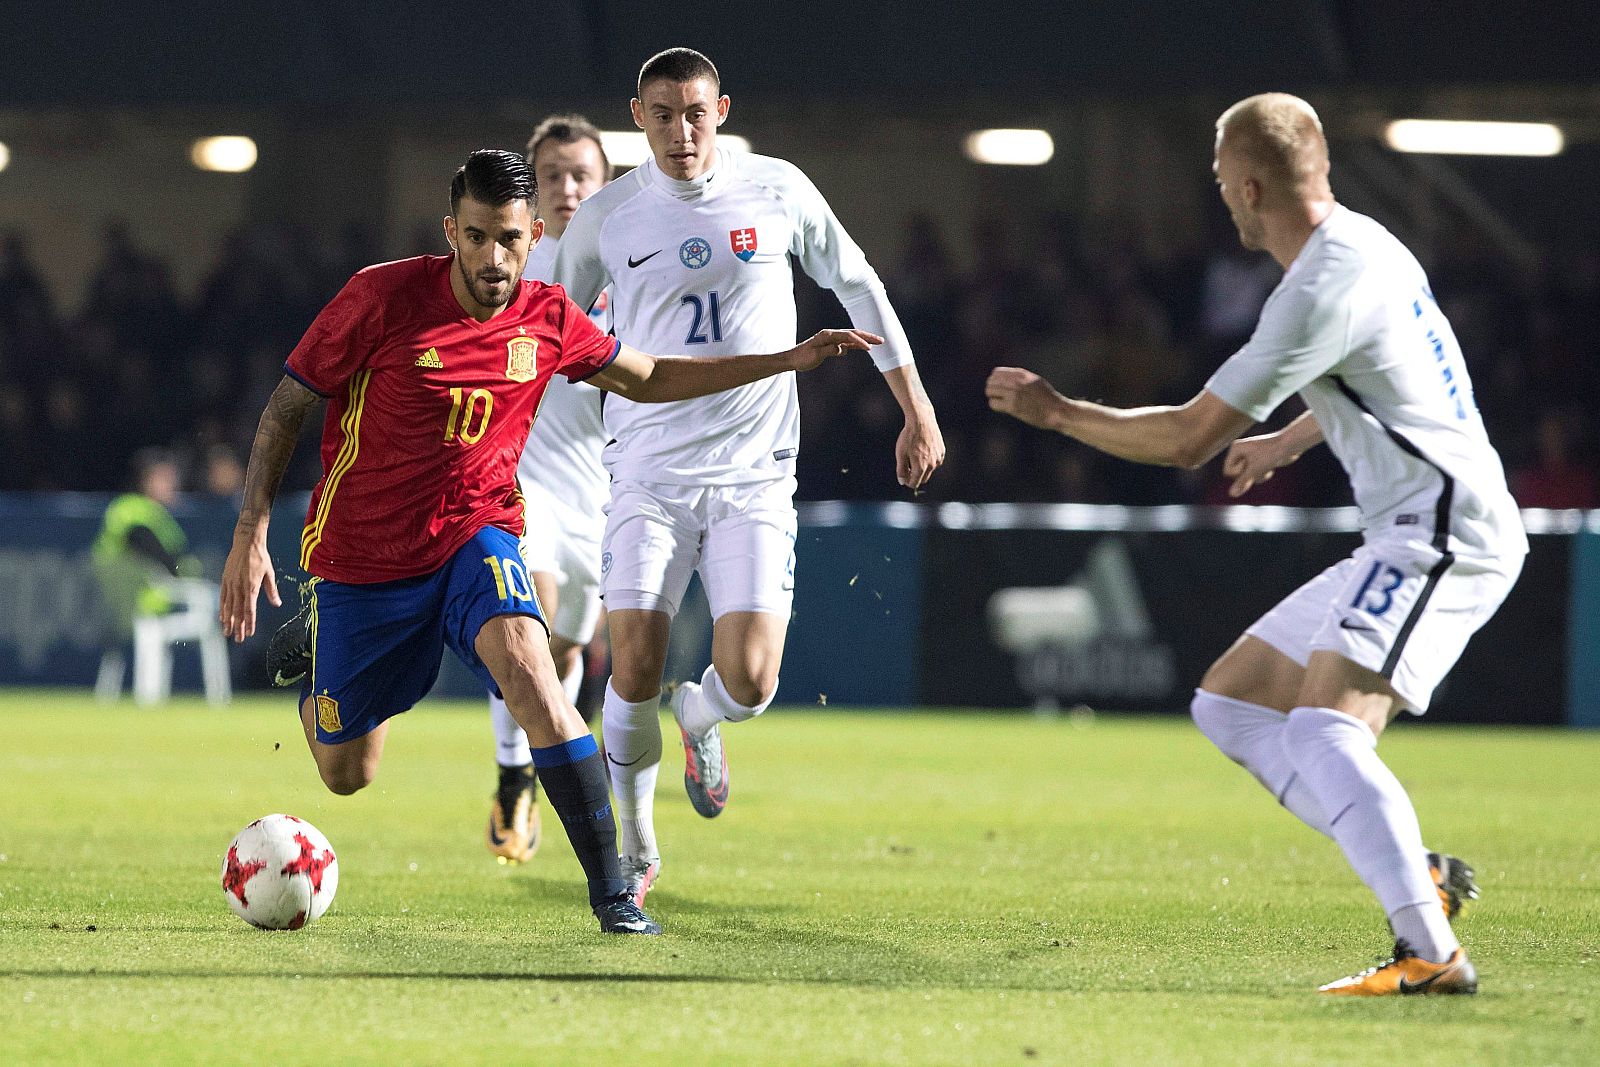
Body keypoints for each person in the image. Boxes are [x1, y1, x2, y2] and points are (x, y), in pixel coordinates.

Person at [219, 148, 882, 936]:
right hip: (364, 560)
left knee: (537, 679)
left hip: (478, 536)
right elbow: (289, 402)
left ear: (535, 235)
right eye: (474, 237)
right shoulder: (380, 296)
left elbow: (646, 375)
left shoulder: (546, 316)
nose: (491, 259)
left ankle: (615, 894)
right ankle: (323, 652)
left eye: (507, 239)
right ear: (450, 232)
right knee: (346, 774)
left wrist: (785, 360)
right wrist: (250, 530)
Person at [986, 94, 1526, 996]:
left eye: (1218, 178)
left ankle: (1430, 951)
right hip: (1415, 524)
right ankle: (1412, 870)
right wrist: (1286, 438)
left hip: (1441, 531)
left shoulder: (1311, 291)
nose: (1219, 194)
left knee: (1323, 730)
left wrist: (1056, 410)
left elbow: (1189, 438)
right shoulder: (1367, 243)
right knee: (1230, 703)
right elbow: (1394, 381)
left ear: (1246, 186)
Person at [550, 47, 946, 905]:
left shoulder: (778, 189)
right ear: (637, 116)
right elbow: (549, 322)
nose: (680, 131)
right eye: (661, 115)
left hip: (753, 474)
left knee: (755, 679)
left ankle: (701, 719)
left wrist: (916, 406)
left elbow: (857, 280)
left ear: (721, 108)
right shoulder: (608, 217)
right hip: (648, 473)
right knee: (631, 668)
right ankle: (636, 842)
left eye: (694, 112)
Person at [484, 115, 615, 866]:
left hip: (595, 483)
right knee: (529, 617)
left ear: (602, 184)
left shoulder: (629, 260)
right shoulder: (509, 260)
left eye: (582, 175)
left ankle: (526, 760)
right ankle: (511, 775)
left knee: (564, 652)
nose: (569, 188)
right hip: (515, 474)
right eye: (555, 175)